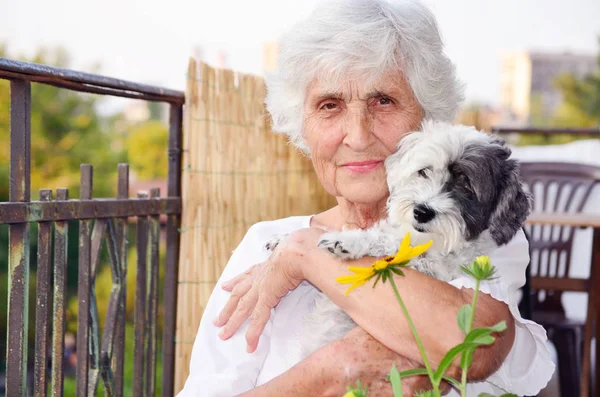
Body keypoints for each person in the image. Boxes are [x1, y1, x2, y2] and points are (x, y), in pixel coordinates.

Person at [178, 0, 555, 395]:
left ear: (428, 119)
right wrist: (332, 372)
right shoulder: (262, 244)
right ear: (301, 127)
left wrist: (307, 255)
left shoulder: (469, 233)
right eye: (329, 105)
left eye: (383, 101)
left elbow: (470, 345)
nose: (357, 136)